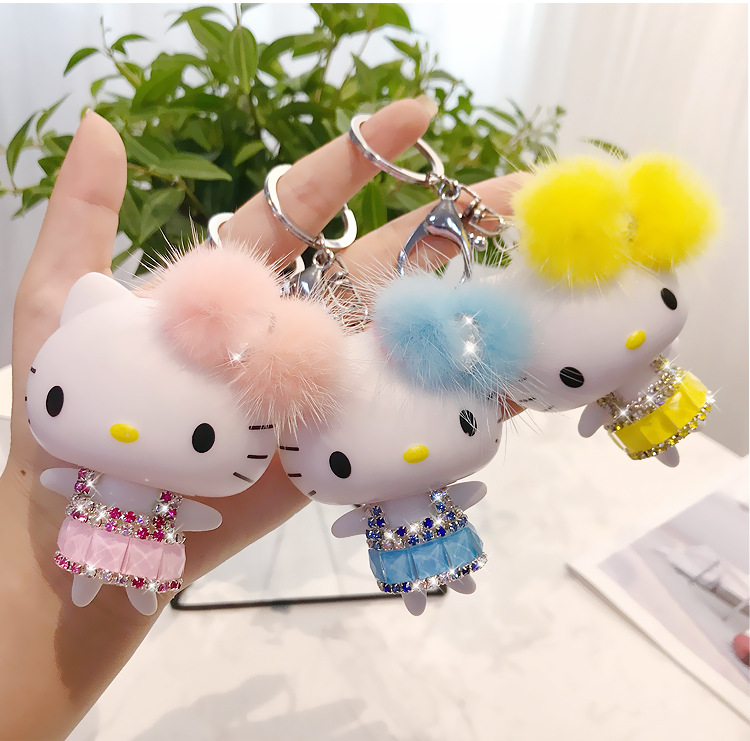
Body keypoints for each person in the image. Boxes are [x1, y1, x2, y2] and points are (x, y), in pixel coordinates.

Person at [0, 96, 522, 740]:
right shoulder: (124, 363)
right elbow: (82, 486)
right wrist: (29, 581)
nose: (127, 434)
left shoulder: (289, 398)